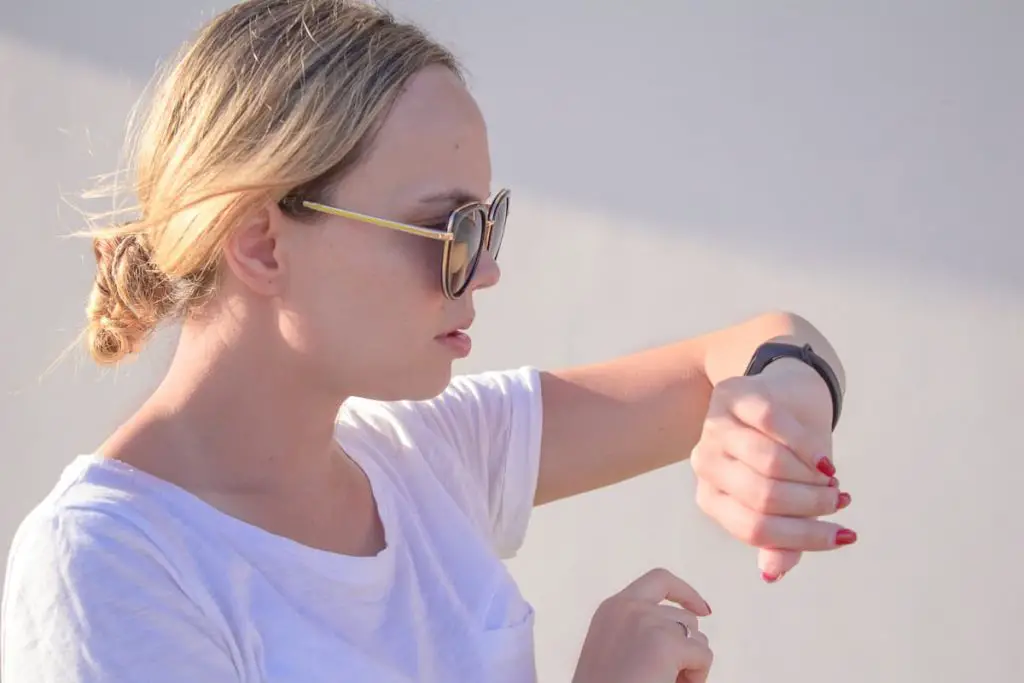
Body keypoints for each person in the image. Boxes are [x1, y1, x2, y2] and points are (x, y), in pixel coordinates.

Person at [0, 1, 854, 682]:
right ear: (261, 242)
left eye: (487, 225)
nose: (484, 272)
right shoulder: (104, 567)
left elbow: (760, 343)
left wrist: (779, 401)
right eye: (447, 229)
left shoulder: (422, 454)